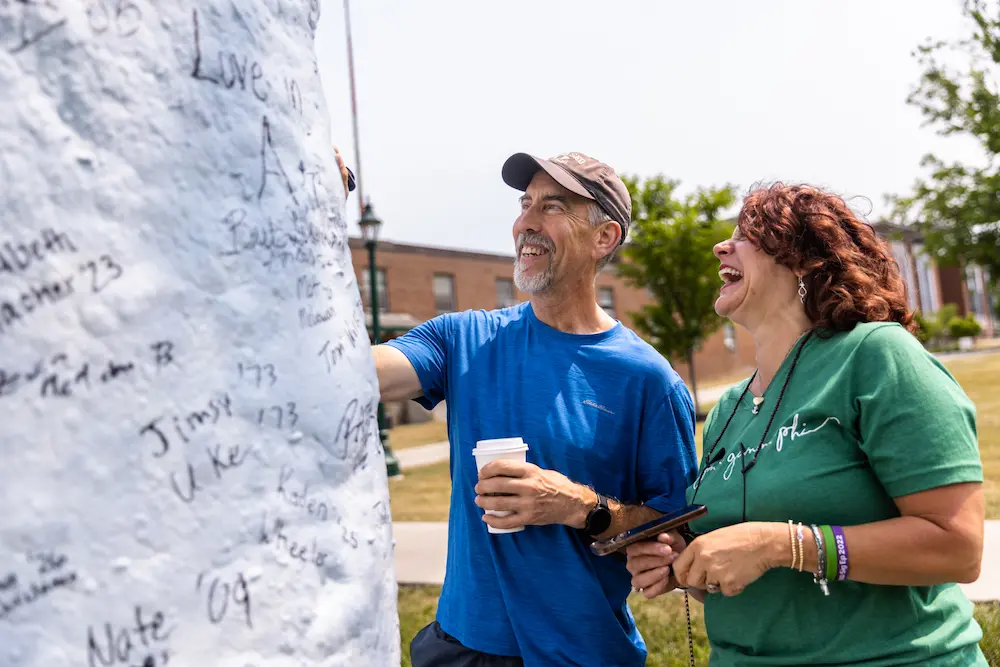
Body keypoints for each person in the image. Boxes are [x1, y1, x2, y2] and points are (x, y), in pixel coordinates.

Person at [342, 150, 698, 666]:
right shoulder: (463, 339)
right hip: (462, 649)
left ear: (604, 237)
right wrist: (315, 218)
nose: (526, 222)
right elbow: (349, 370)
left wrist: (579, 506)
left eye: (552, 207)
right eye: (525, 203)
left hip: (583, 654)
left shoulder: (649, 380)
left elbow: (679, 531)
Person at [625, 182, 987, 666]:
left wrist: (782, 545)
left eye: (748, 235)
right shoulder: (729, 407)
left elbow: (958, 547)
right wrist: (686, 563)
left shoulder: (877, 355)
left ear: (804, 261)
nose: (721, 247)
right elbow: (753, 583)